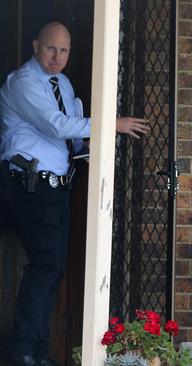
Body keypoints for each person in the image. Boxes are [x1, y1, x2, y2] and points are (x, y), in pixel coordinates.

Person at [0, 22, 149, 366]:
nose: (57, 57)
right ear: (36, 45)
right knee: (45, 265)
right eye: (51, 48)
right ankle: (22, 348)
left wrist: (92, 144)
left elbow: (70, 137)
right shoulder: (24, 82)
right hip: (30, 185)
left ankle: (37, 350)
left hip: (57, 186)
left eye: (64, 51)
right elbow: (55, 125)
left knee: (53, 268)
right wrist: (112, 123)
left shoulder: (63, 84)